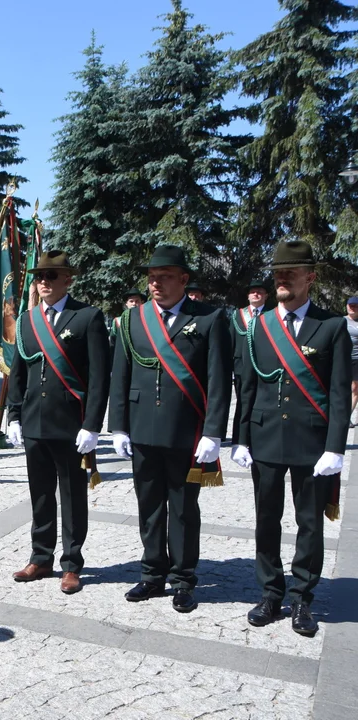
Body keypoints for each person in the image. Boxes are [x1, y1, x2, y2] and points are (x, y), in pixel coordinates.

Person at [232, 241, 351, 637]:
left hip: (310, 441)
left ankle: (302, 596)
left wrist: (335, 447)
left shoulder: (331, 327)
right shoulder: (259, 326)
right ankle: (270, 592)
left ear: (310, 277)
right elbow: (246, 387)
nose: (281, 278)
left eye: (291, 272)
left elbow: (338, 392)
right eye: (278, 272)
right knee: (266, 519)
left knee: (309, 524)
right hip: (265, 435)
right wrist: (241, 438)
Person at [110, 245, 230, 613]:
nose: (155, 283)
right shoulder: (133, 320)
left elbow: (219, 379)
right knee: (148, 506)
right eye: (151, 277)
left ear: (183, 279)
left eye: (163, 276)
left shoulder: (209, 318)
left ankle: (182, 578)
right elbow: (121, 374)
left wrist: (213, 432)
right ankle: (151, 573)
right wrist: (118, 426)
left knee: (181, 508)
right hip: (142, 429)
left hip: (186, 432)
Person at [5, 251, 110, 594]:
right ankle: (41, 557)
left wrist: (92, 425)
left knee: (72, 496)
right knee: (40, 495)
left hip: (70, 424)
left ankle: (72, 564)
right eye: (40, 277)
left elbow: (98, 377)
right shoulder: (26, 321)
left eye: (52, 276)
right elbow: (18, 374)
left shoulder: (87, 317)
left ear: (68, 279)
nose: (44, 282)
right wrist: (14, 416)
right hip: (35, 422)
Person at [230, 278, 271, 442]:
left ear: (266, 296)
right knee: (242, 403)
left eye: (260, 291)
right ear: (248, 295)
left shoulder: (271, 316)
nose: (256, 294)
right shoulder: (237, 315)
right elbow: (231, 342)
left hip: (264, 368)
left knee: (262, 404)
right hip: (241, 367)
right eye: (253, 291)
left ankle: (259, 436)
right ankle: (239, 438)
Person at [347, 296, 358, 427]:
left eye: (355, 305)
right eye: (350, 305)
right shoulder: (341, 321)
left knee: (355, 389)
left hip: (356, 359)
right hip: (342, 358)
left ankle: (347, 416)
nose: (352, 308)